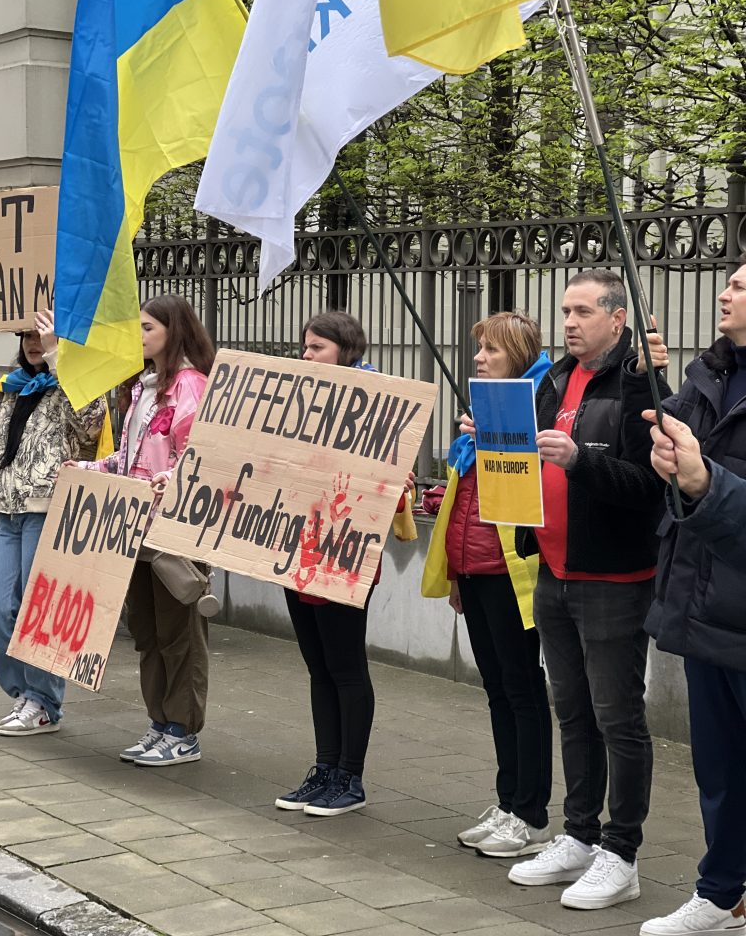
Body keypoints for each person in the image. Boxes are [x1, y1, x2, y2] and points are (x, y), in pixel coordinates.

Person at [507, 269, 669, 909]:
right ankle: (578, 834)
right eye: (565, 311)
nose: (569, 322)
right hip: (554, 571)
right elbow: (532, 458)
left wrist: (581, 460)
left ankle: (621, 852)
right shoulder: (552, 382)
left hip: (614, 579)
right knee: (571, 712)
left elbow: (650, 487)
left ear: (617, 318)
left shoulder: (640, 386)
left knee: (617, 719)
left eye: (582, 311)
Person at [621, 257, 746, 936]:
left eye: (740, 285)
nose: (725, 292)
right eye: (725, 283)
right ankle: (721, 893)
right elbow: (658, 435)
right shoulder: (709, 375)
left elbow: (703, 478)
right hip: (704, 609)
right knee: (720, 772)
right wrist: (648, 380)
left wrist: (703, 481)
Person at [422, 311, 554, 857]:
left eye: (491, 351)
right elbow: (462, 504)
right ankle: (507, 801)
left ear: (519, 356)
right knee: (497, 689)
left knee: (523, 690)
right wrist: (455, 571)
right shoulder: (483, 414)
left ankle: (531, 814)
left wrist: (501, 440)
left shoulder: (534, 409)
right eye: (479, 350)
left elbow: (532, 490)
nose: (479, 359)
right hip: (474, 572)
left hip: (510, 574)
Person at [275, 311, 413, 818]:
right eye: (305, 348)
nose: (307, 357)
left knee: (345, 665)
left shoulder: (379, 405)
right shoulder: (300, 403)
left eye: (318, 349)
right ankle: (324, 768)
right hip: (297, 548)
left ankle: (350, 778)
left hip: (344, 553)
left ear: (346, 351)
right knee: (317, 667)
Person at [73, 294, 214, 766]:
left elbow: (199, 459)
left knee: (180, 634)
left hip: (174, 530)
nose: (138, 336)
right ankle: (159, 724)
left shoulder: (191, 386)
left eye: (147, 328)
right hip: (133, 526)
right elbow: (133, 457)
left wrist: (172, 479)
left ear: (173, 331)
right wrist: (93, 468)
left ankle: (183, 730)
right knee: (147, 632)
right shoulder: (142, 389)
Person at [0, 310, 106, 735]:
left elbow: (90, 428)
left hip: (50, 509)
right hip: (7, 513)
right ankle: (24, 694)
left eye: (42, 335)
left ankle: (44, 701)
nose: (34, 342)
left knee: (40, 611)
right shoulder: (8, 388)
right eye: (27, 335)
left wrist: (58, 357)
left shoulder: (73, 385)